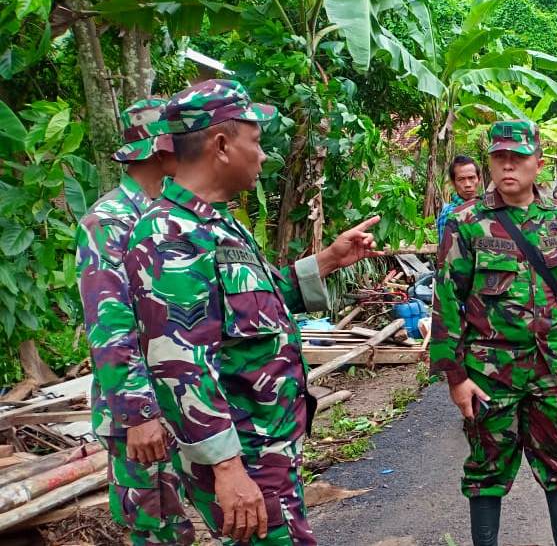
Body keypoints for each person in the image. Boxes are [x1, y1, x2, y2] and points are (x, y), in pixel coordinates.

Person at [125, 80, 384, 545]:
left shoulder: (217, 223)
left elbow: (257, 305)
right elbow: (181, 366)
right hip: (242, 456)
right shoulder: (170, 236)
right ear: (222, 144)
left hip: (266, 448)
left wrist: (327, 260)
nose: (263, 156)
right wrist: (226, 469)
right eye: (257, 141)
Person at [431, 120, 557, 546]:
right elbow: (447, 300)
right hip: (491, 375)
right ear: (489, 161)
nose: (508, 166)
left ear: (538, 165)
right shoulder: (466, 222)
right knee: (486, 470)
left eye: (518, 158)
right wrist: (455, 377)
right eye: (499, 157)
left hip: (553, 368)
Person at [76, 98, 195, 546]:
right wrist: (138, 414)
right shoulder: (108, 222)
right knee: (157, 527)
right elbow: (109, 323)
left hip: (179, 400)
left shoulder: (167, 213)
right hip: (138, 410)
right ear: (159, 152)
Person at [437, 155, 481, 241]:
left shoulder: (486, 208)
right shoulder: (449, 214)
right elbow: (448, 251)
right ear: (453, 183)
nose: (467, 184)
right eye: (461, 179)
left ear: (479, 179)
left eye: (471, 178)